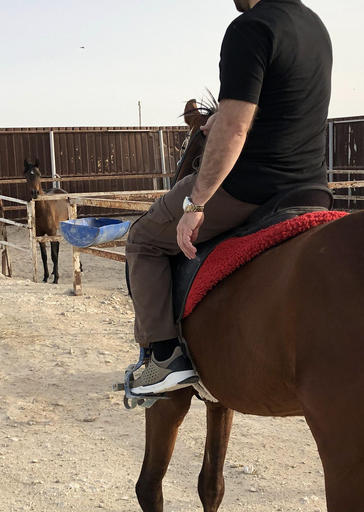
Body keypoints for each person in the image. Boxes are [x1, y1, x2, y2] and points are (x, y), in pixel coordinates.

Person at [125, 0, 333, 395]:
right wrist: (219, 118)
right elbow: (274, 112)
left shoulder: (248, 28)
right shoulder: (315, 28)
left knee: (143, 239)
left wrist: (197, 204)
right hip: (311, 188)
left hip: (250, 189)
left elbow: (236, 130)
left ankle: (164, 357)